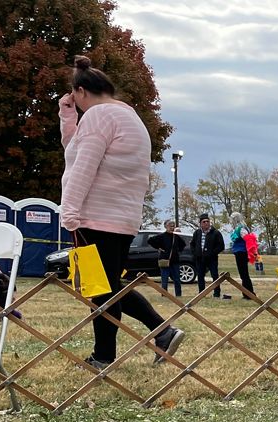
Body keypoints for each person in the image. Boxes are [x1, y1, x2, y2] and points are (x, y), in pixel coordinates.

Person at [59, 55, 183, 369]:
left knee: (99, 288)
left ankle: (106, 356)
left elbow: (82, 167)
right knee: (107, 285)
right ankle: (159, 332)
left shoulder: (99, 117)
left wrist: (69, 213)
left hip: (94, 215)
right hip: (122, 218)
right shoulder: (127, 116)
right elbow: (76, 152)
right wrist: (68, 116)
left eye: (75, 98)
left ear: (81, 91)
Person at [189, 212, 224, 297]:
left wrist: (212, 253)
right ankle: (201, 293)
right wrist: (195, 253)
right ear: (200, 224)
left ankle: (216, 293)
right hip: (200, 258)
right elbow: (192, 244)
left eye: (207, 221)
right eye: (204, 222)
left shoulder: (215, 233)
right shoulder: (197, 233)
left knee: (214, 275)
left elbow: (221, 246)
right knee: (200, 276)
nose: (206, 223)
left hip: (212, 259)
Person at [147, 219, 185, 296]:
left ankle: (178, 294)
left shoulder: (176, 236)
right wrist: (158, 247)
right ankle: (164, 294)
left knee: (177, 279)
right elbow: (150, 240)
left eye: (173, 226)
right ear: (165, 226)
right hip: (164, 260)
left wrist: (177, 251)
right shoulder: (161, 236)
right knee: (164, 279)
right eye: (170, 226)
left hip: (175, 261)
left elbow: (183, 244)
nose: (172, 227)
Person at [227, 212, 256, 300]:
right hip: (238, 252)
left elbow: (248, 239)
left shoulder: (241, 228)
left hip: (242, 252)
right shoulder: (236, 228)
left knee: (244, 274)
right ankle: (246, 293)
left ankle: (249, 293)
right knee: (243, 274)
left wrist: (251, 251)